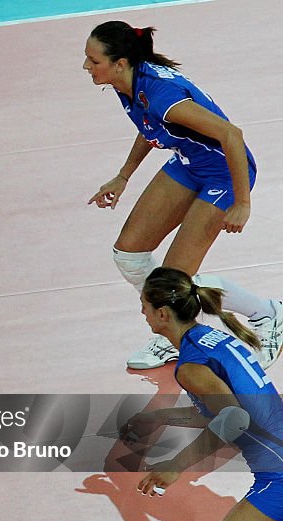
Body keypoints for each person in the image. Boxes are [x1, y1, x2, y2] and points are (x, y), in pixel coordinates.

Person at [83, 20, 283, 370]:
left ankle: (267, 313)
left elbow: (231, 135)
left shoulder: (164, 95)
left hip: (222, 171)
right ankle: (174, 316)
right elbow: (150, 128)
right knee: (129, 254)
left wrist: (242, 203)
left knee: (175, 281)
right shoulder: (126, 84)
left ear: (120, 62)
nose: (86, 66)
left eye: (93, 60)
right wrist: (123, 175)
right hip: (189, 162)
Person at [130, 266, 283, 521]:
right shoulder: (212, 338)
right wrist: (168, 418)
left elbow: (234, 418)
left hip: (279, 477)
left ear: (163, 313)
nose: (143, 315)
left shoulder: (191, 365)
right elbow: (232, 404)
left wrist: (173, 468)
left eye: (145, 306)